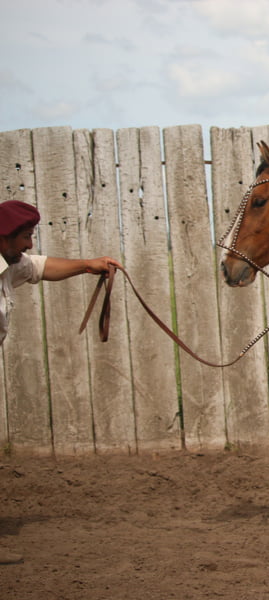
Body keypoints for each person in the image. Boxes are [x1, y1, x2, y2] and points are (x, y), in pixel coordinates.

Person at [1, 199, 122, 564]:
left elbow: (40, 267)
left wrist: (89, 265)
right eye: (25, 236)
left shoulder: (10, 265)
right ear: (4, 236)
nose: (30, 244)